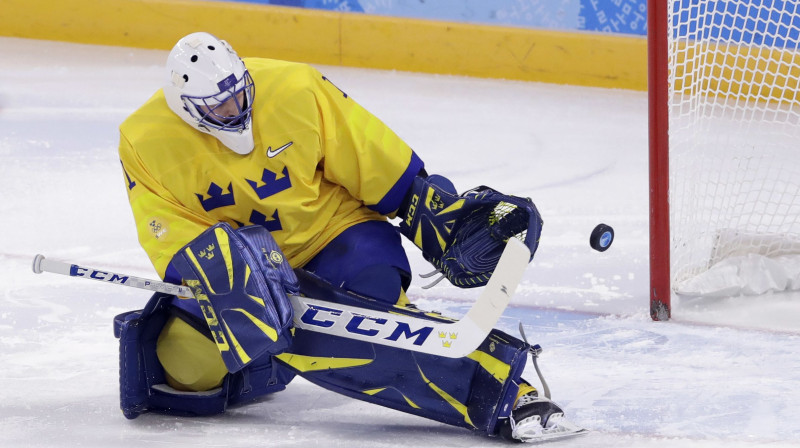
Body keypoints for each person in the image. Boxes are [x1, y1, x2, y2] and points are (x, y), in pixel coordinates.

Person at [114, 31, 581, 443]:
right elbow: (163, 225)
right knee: (183, 367)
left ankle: (501, 389)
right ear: (184, 106)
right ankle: (270, 357)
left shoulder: (294, 88)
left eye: (240, 96)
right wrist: (222, 272)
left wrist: (422, 203)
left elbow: (365, 150)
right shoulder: (144, 138)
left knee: (368, 320)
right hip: (244, 266)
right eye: (219, 107)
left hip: (336, 238)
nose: (236, 111)